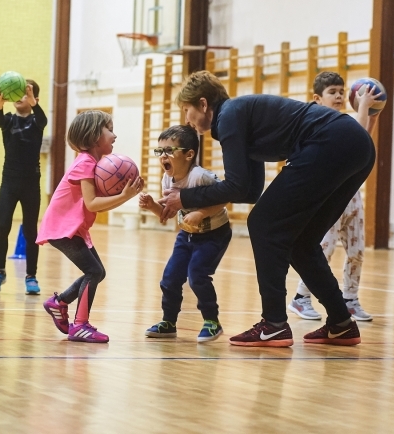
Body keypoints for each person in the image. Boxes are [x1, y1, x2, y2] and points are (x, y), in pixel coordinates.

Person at [158, 70, 375, 347]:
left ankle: (273, 323)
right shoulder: (238, 115)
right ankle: (341, 323)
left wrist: (185, 198)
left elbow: (236, 186)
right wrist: (190, 199)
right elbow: (249, 190)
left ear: (203, 104)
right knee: (301, 241)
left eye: (187, 110)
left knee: (262, 224)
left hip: (329, 141)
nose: (186, 119)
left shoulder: (227, 118)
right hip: (357, 145)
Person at [38, 110, 144, 343]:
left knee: (98, 272)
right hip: (62, 228)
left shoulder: (92, 163)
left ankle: (59, 303)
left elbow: (95, 207)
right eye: (110, 129)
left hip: (72, 228)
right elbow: (92, 203)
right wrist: (125, 197)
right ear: (95, 135)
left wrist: (125, 196)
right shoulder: (86, 162)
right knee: (93, 271)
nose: (114, 135)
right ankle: (80, 325)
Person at [287, 72, 378, 322]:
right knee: (323, 249)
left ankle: (350, 299)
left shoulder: (347, 120)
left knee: (357, 250)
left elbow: (362, 142)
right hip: (327, 197)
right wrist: (365, 109)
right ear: (317, 99)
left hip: (351, 195)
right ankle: (301, 298)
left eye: (341, 91)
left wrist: (372, 113)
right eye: (332, 92)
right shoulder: (319, 122)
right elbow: (355, 141)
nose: (338, 96)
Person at [139, 125, 232, 342]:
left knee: (198, 276)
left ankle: (212, 322)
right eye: (160, 151)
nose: (163, 157)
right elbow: (166, 215)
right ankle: (168, 322)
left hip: (214, 234)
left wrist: (200, 213)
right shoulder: (167, 179)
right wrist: (153, 205)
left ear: (189, 154)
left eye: (169, 151)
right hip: (186, 236)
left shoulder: (200, 177)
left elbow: (224, 198)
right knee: (170, 278)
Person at [0, 79, 47, 295]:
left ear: (34, 99)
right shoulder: (9, 121)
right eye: (19, 92)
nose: (21, 96)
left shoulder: (37, 121)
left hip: (31, 183)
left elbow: (43, 119)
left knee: (31, 231)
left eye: (27, 93)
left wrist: (35, 104)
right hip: (9, 182)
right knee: (2, 226)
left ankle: (31, 276)